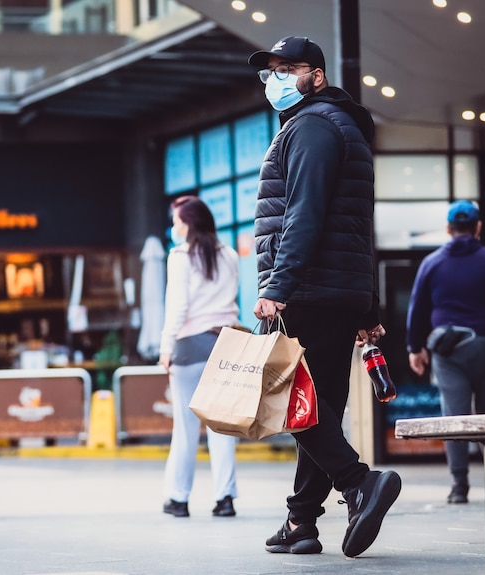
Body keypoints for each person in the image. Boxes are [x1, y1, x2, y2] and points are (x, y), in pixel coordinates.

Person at [247, 36, 401, 558]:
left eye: (289, 69)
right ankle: (302, 522)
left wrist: (277, 287)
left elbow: (305, 215)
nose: (277, 80)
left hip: (308, 290)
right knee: (322, 408)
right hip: (336, 289)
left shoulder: (311, 127)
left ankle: (359, 482)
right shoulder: (343, 128)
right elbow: (358, 226)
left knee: (294, 403)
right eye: (271, 72)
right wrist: (368, 304)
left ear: (317, 74)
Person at [406, 200, 485, 504]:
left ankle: (459, 486)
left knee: (455, 416)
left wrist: (415, 347)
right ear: (478, 228)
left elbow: (416, 309)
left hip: (448, 352)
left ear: (448, 229)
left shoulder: (431, 263)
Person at [158, 196, 240, 518]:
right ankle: (225, 499)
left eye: (177, 220)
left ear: (189, 223)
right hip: (226, 342)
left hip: (189, 346)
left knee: (186, 426)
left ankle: (178, 499)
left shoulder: (179, 257)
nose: (174, 226)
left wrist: (166, 347)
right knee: (223, 425)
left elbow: (177, 306)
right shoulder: (230, 255)